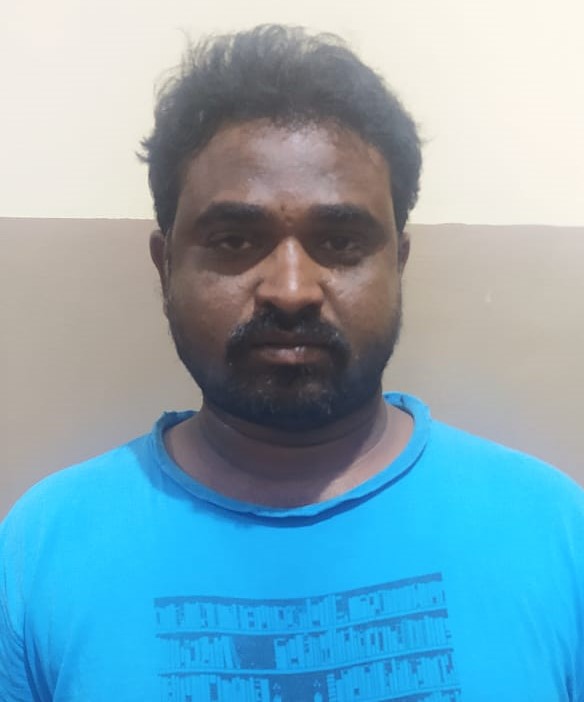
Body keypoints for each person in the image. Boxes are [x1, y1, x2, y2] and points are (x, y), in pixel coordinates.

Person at [1, 24, 583, 702]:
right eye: (234, 240)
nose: (291, 288)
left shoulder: (556, 534)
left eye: (340, 241)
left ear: (397, 264)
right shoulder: (40, 553)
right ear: (166, 268)